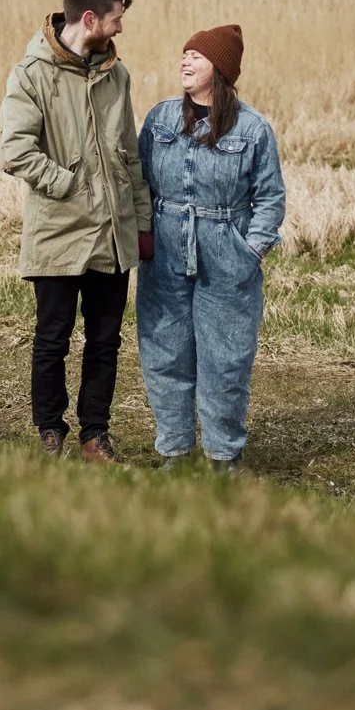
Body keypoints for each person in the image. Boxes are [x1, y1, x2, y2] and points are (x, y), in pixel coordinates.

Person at [0, 0, 154, 463]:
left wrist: (142, 222)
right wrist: (68, 185)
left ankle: (95, 436)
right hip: (58, 230)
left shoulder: (117, 75)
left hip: (112, 232)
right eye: (116, 18)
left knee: (105, 340)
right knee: (53, 339)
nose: (121, 28)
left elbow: (130, 156)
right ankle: (50, 431)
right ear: (89, 19)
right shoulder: (31, 74)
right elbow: (15, 151)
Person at [136, 25, 285, 470]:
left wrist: (250, 251)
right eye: (184, 53)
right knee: (165, 353)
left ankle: (223, 456)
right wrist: (143, 236)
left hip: (226, 253)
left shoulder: (253, 129)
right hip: (165, 251)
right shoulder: (160, 119)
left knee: (226, 359)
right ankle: (175, 453)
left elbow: (270, 198)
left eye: (196, 56)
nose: (185, 61)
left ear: (219, 68)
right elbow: (138, 181)